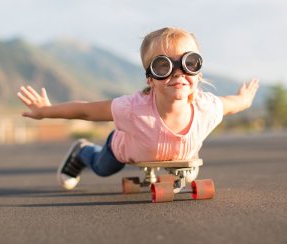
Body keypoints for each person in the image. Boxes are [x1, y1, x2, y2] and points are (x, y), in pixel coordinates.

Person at [17, 27, 259, 190]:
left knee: (188, 171)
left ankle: (178, 169)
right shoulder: (133, 109)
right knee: (102, 168)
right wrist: (46, 111)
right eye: (163, 66)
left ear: (198, 71)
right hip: (124, 149)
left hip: (176, 155)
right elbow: (87, 110)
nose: (178, 72)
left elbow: (232, 104)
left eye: (189, 62)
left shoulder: (206, 108)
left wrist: (244, 99)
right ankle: (82, 151)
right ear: (150, 79)